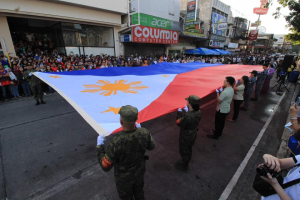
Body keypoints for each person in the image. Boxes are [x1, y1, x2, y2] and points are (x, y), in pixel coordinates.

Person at [96, 105, 155, 200]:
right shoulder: (144, 132)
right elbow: (151, 146)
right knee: (139, 193)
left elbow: (105, 166)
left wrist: (100, 147)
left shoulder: (116, 142)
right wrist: (142, 131)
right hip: (139, 173)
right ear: (136, 119)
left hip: (124, 180)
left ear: (121, 121)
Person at [175, 95, 202, 172]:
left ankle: (184, 165)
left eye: (188, 101)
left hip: (186, 135)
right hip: (193, 133)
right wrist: (188, 111)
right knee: (189, 149)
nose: (186, 102)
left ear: (190, 103)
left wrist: (179, 113)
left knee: (184, 150)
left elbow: (178, 122)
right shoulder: (198, 112)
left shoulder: (188, 116)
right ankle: (185, 161)